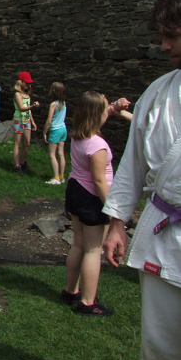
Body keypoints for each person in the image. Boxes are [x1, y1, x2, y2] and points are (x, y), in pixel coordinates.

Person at [103, 0, 181, 360]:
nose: (164, 46)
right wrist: (118, 222)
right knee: (161, 352)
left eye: (172, 36)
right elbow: (132, 164)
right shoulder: (158, 93)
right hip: (164, 237)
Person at [61, 91, 114, 316]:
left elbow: (101, 113)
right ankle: (87, 302)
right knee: (93, 250)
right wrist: (113, 209)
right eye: (104, 110)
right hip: (92, 196)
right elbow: (99, 180)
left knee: (78, 244)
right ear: (97, 115)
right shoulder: (97, 145)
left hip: (76, 190)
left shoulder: (78, 136)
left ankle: (70, 291)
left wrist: (112, 108)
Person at [12, 71, 40, 173]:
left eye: (29, 83)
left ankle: (23, 162)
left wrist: (32, 121)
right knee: (18, 143)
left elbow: (28, 111)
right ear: (21, 82)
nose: (28, 85)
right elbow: (22, 108)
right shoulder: (17, 94)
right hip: (18, 121)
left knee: (27, 143)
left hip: (26, 121)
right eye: (26, 83)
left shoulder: (27, 95)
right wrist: (33, 106)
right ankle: (16, 166)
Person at [43, 82, 67, 185]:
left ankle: (56, 178)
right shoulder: (63, 103)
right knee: (61, 153)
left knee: (52, 154)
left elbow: (49, 121)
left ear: (53, 91)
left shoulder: (53, 104)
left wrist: (45, 132)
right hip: (63, 129)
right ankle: (62, 176)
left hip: (55, 130)